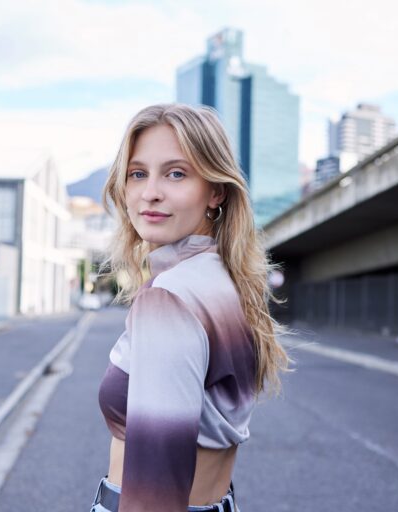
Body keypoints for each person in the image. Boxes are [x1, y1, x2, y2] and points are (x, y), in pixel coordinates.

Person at [91, 103, 294, 512]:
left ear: (216, 191)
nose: (151, 191)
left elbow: (156, 486)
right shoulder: (225, 280)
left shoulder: (169, 296)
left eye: (176, 173)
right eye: (137, 173)